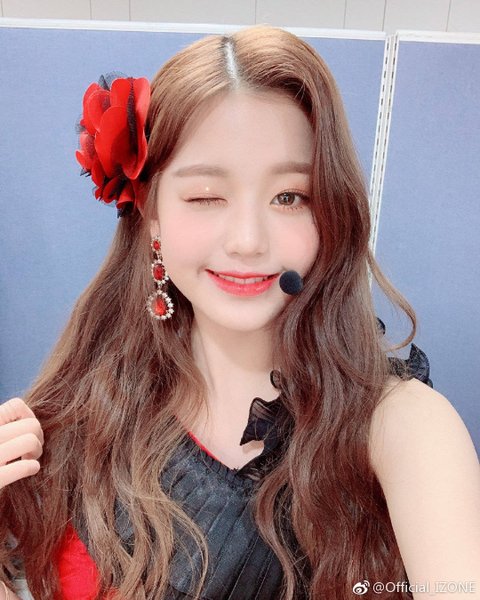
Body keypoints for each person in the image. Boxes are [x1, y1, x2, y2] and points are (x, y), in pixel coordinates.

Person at [0, 24, 479, 600]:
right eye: (206, 197)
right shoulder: (80, 414)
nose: (248, 241)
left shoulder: (400, 429)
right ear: (151, 211)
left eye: (289, 197)